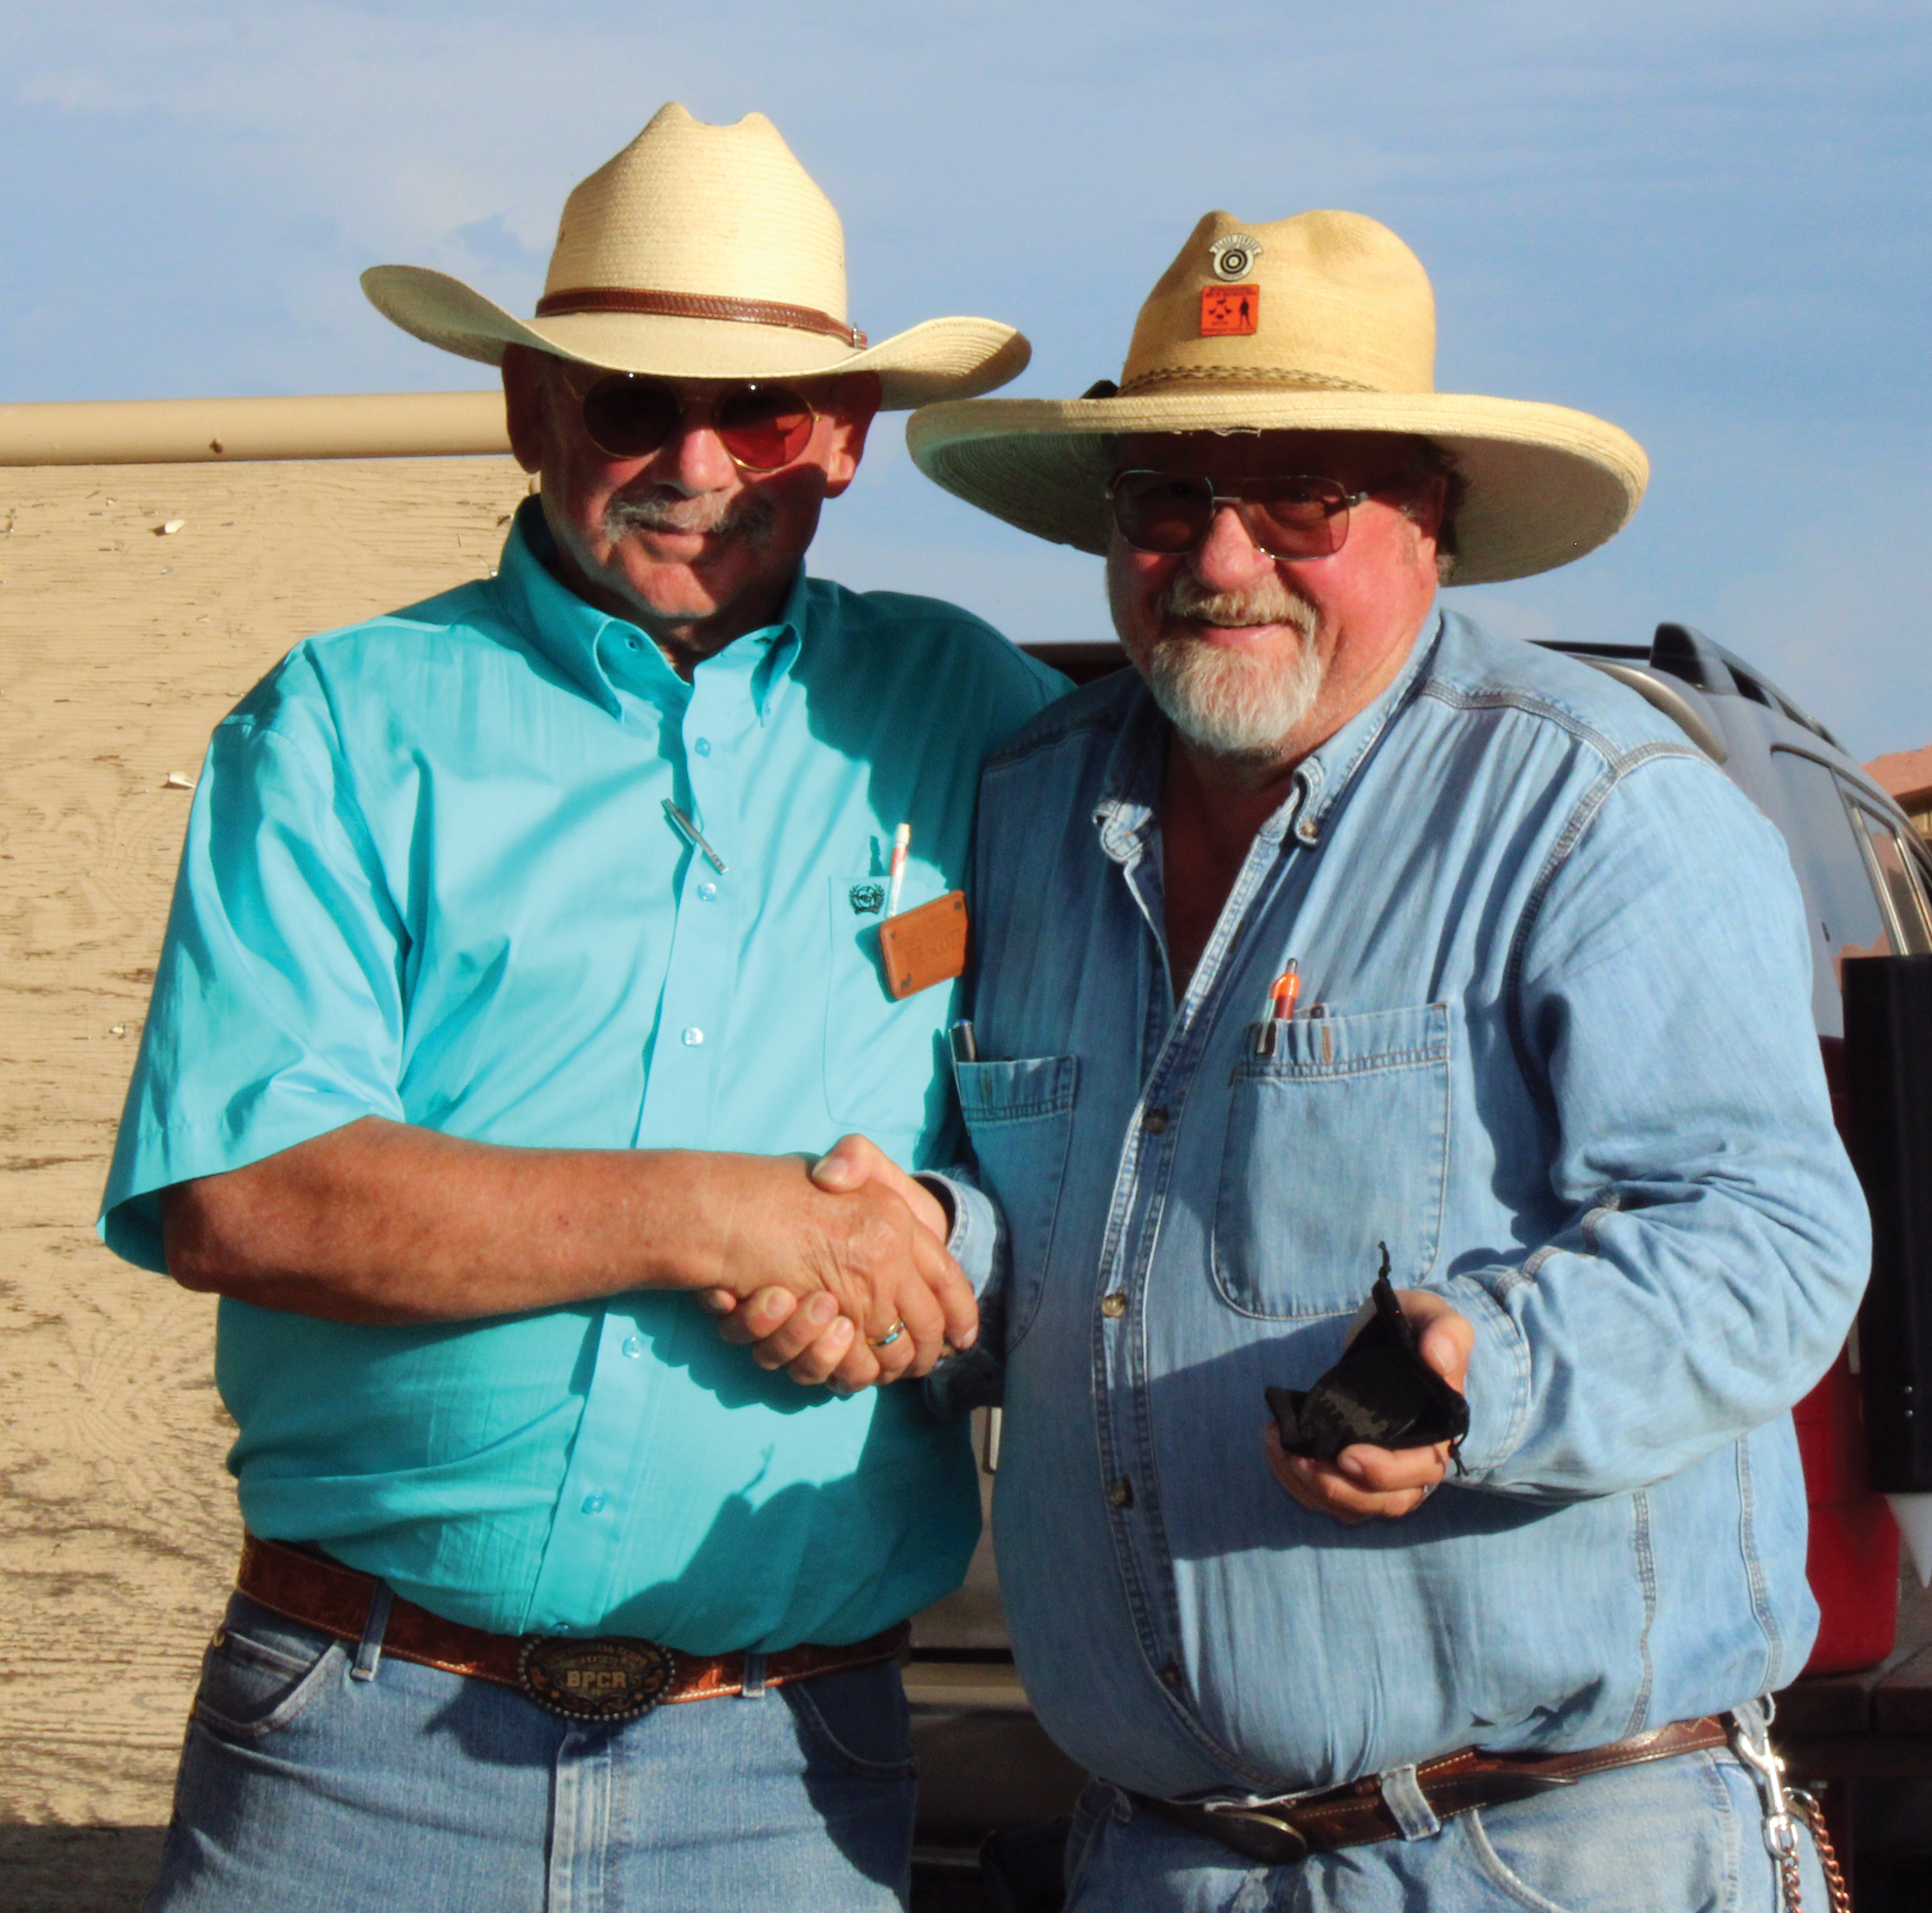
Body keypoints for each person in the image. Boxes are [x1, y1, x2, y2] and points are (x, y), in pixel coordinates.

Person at [757, 208, 1867, 1908]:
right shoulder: (1033, 807)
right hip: (1154, 1858)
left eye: (1299, 500)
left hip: (1550, 1855)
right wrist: (904, 1251)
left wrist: (1482, 1367)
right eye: (1166, 502)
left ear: (1429, 521)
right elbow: (1049, 1233)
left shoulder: (1599, 807)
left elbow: (1772, 1242)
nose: (1220, 558)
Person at [99, 104, 1063, 1912]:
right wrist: (733, 1212)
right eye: (630, 400)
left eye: (762, 413)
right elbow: (246, 1196)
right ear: (533, 410)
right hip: (356, 1756)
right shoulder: (346, 721)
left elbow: (1114, 1134)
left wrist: (948, 1239)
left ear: (847, 441)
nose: (695, 457)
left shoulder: (989, 720)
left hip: (790, 1768)